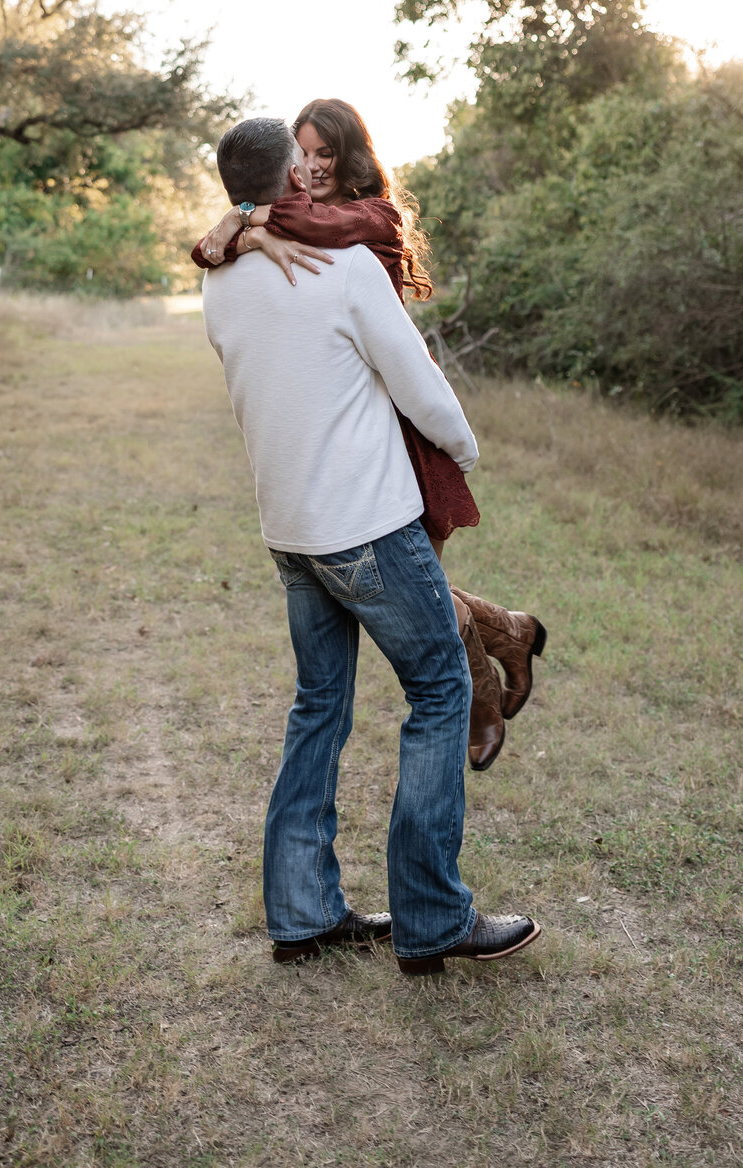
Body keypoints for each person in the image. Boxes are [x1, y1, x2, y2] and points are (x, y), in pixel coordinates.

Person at [200, 115, 539, 974]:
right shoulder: (346, 267)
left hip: (290, 532)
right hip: (364, 526)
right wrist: (463, 452)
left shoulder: (221, 281)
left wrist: (242, 226)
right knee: (441, 690)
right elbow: (417, 382)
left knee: (319, 706)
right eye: (303, 164)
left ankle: (303, 914)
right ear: (290, 178)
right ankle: (433, 920)